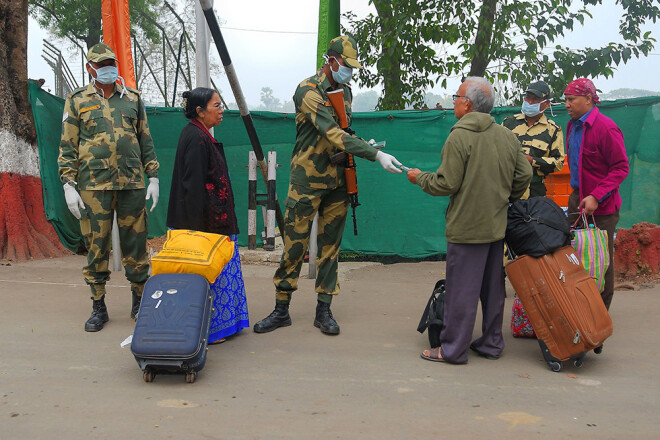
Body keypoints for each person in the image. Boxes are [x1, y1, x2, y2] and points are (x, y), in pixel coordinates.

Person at [253, 35, 403, 336]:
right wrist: (375, 154)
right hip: (306, 181)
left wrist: (361, 145)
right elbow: (333, 133)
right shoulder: (307, 91)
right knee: (294, 246)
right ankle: (281, 309)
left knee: (330, 247)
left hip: (336, 179)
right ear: (331, 60)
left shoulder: (344, 91)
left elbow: (345, 131)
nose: (350, 72)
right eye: (346, 65)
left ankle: (324, 309)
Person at [406, 77, 532, 363]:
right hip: (495, 226)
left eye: (457, 96)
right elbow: (524, 176)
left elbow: (445, 183)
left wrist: (419, 178)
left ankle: (452, 349)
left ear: (468, 103)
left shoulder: (459, 136)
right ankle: (491, 343)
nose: (453, 101)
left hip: (465, 229)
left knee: (461, 292)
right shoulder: (506, 136)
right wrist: (505, 196)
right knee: (493, 290)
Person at [58, 43, 160, 332]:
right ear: (90, 68)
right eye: (101, 65)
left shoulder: (132, 99)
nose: (107, 69)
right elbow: (67, 146)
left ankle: (139, 302)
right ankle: (98, 306)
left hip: (132, 184)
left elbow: (145, 140)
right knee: (96, 245)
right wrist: (68, 184)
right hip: (94, 186)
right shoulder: (77, 100)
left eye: (110, 63)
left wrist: (153, 178)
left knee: (136, 245)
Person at [167, 87, 249, 343]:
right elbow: (192, 186)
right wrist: (196, 232)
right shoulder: (195, 137)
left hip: (218, 222)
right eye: (216, 106)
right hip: (206, 226)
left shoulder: (202, 134)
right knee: (209, 273)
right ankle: (211, 330)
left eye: (221, 105)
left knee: (224, 272)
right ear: (200, 112)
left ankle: (227, 326)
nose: (221, 109)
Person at [564, 78, 629, 314]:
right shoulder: (573, 125)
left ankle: (598, 318)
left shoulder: (606, 128)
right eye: (566, 100)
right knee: (573, 256)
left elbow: (621, 168)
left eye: (572, 99)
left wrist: (596, 196)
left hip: (601, 207)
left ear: (589, 99)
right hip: (576, 200)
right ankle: (577, 311)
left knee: (600, 262)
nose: (567, 104)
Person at [502, 81, 565, 198]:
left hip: (534, 190)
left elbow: (558, 163)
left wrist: (533, 160)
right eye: (527, 98)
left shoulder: (552, 130)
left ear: (546, 104)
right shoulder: (508, 123)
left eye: (535, 99)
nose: (530, 102)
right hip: (507, 187)